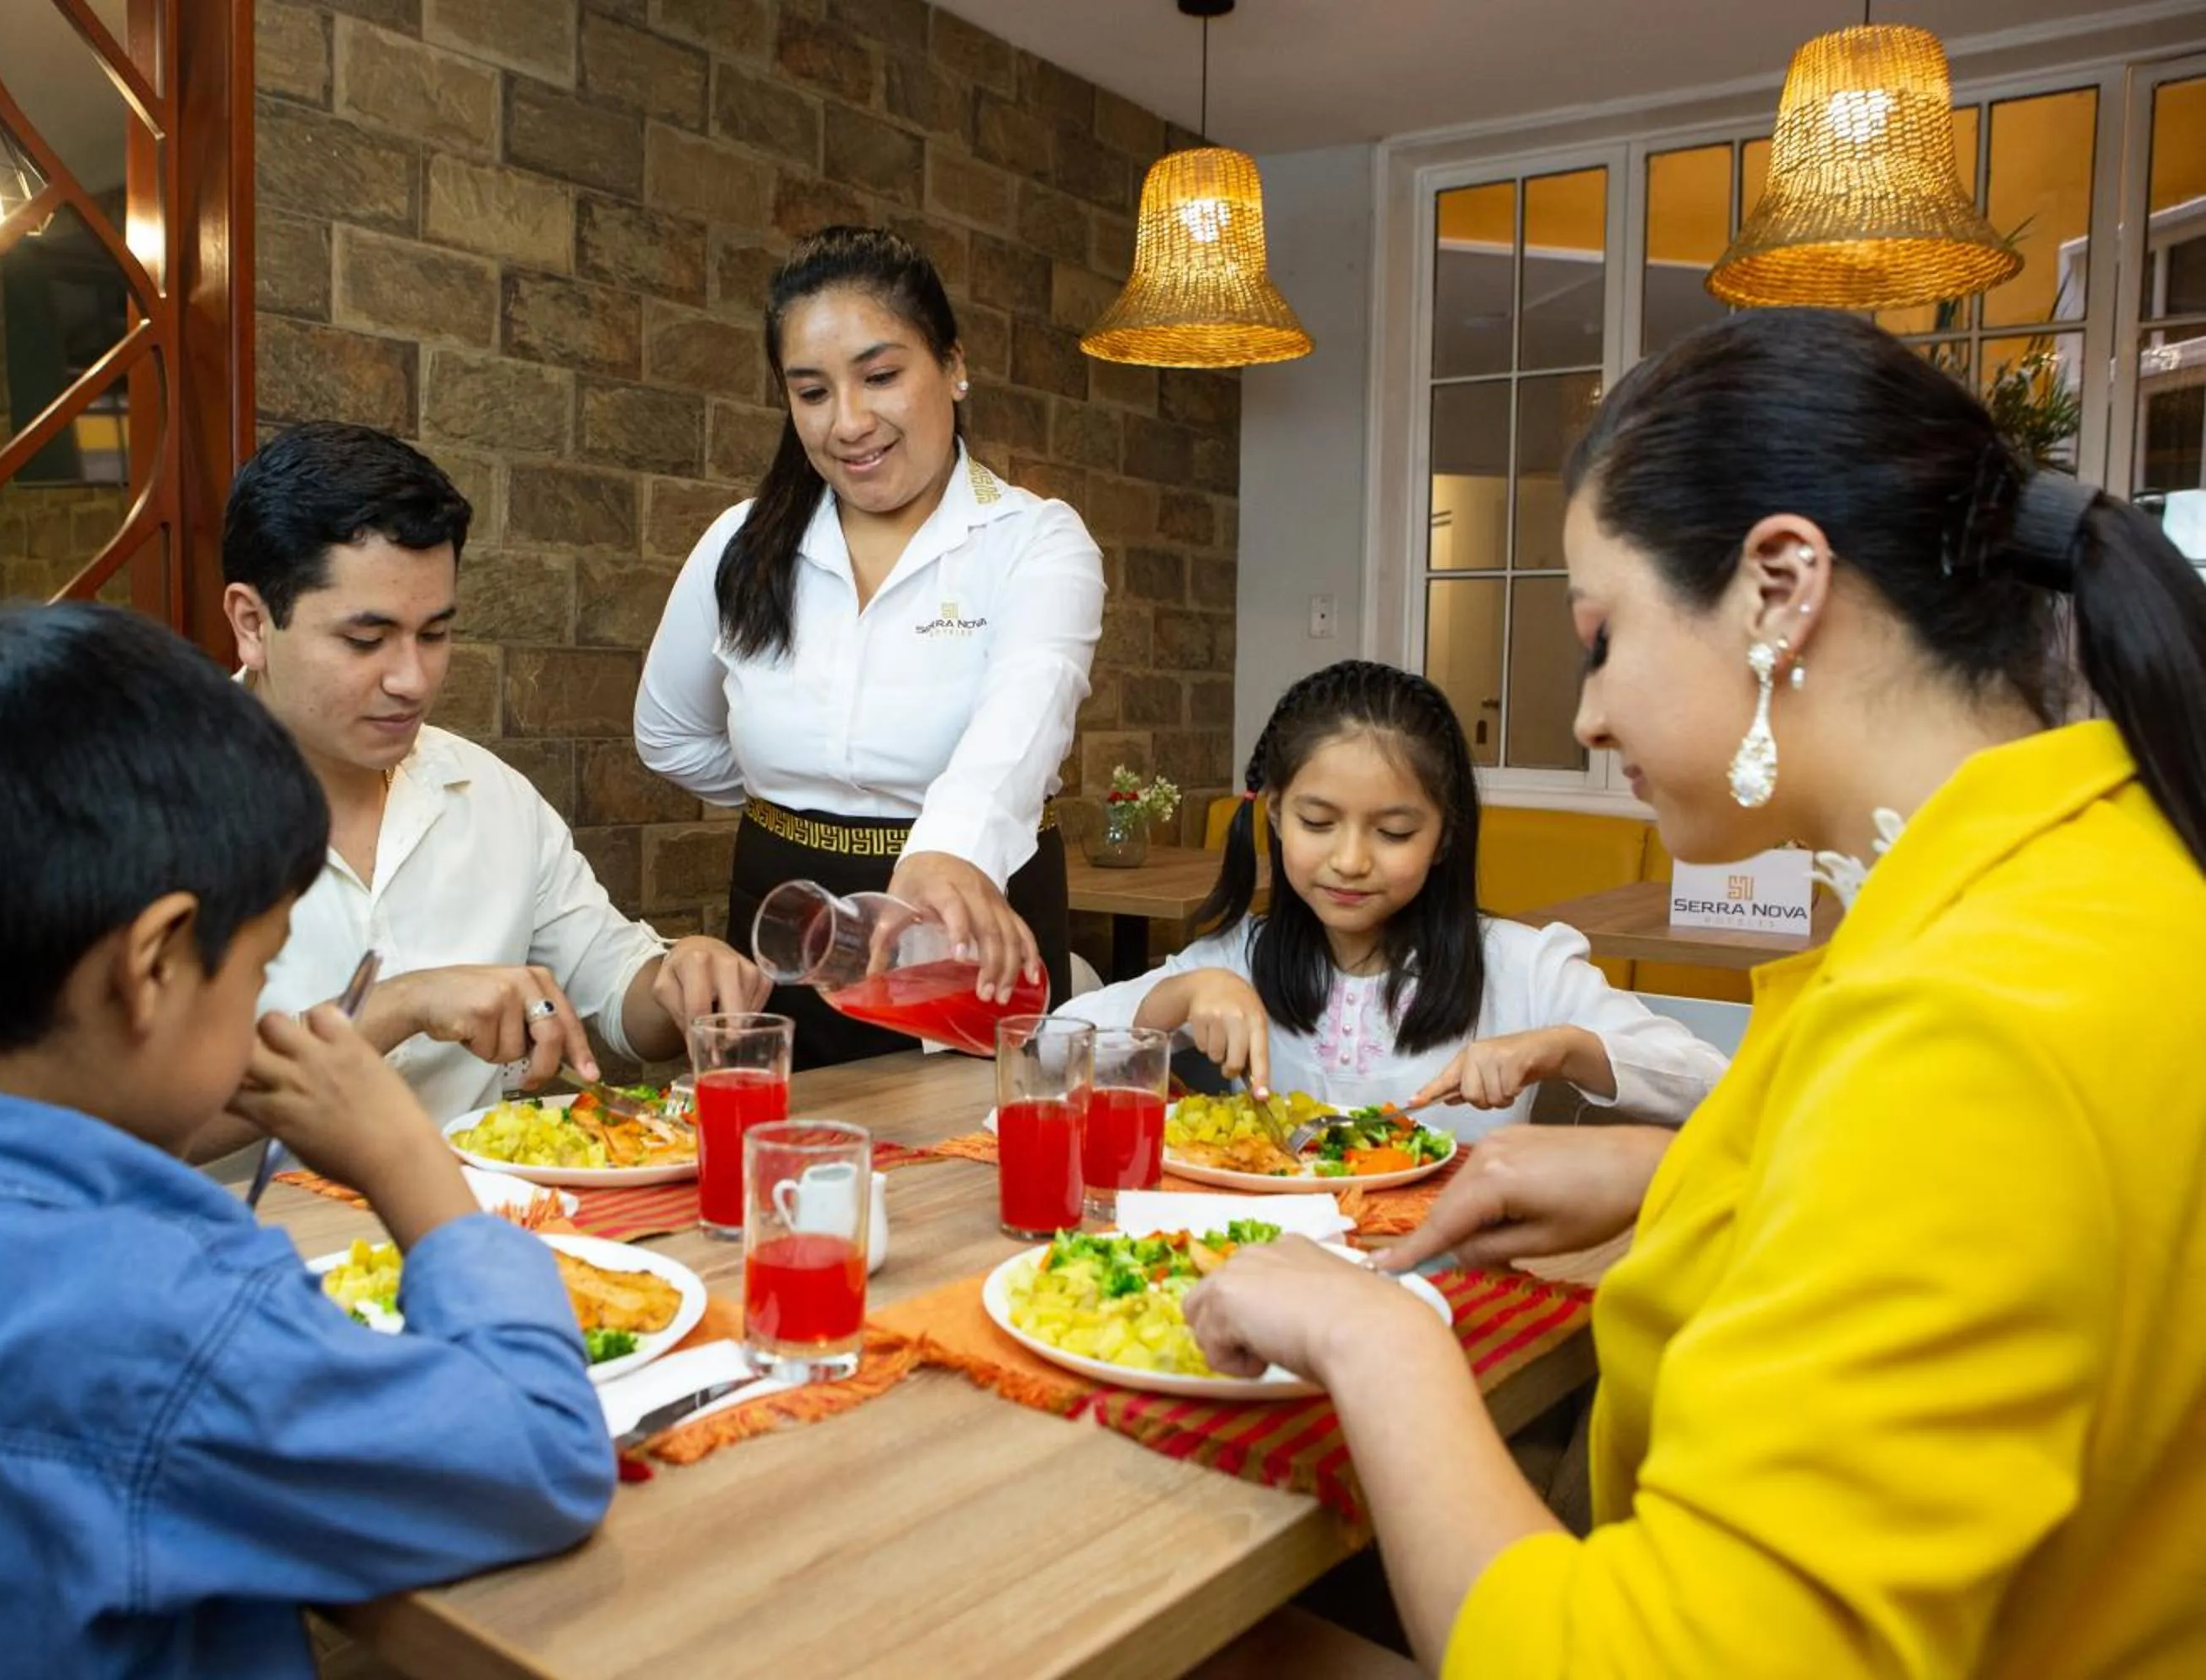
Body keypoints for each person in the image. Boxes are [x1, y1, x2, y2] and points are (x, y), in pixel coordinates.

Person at [1182, 310, 2206, 1676]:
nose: (1586, 718)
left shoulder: (1973, 1019)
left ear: (1782, 586)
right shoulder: (2096, 880)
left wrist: (1374, 1335)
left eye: (1601, 640)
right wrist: (1681, 1176)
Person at [0, 605, 616, 1678]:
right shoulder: (173, 1320)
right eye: (260, 968)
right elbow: (540, 1454)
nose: (266, 1015)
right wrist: (412, 1161)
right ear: (155, 964)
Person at [634, 226, 1105, 1067]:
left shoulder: (1034, 539)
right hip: (786, 929)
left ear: (953, 366)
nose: (848, 423)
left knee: (983, 1173)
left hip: (973, 926)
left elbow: (1023, 720)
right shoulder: (740, 543)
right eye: (812, 392)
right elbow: (668, 733)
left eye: (881, 376)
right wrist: (798, 786)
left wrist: (944, 851)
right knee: (781, 1175)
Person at [221, 422, 766, 1122]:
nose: (413, 680)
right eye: (367, 639)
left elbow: (618, 990)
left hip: (482, 1222)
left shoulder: (488, 793)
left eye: (436, 634)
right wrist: (401, 1005)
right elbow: (128, 1115)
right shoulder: (143, 804)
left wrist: (683, 981)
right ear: (251, 623)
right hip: (235, 1230)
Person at [1058, 660, 1725, 1140]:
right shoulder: (1239, 958)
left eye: (1394, 832)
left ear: (1443, 837)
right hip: (1270, 1274)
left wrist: (1563, 1049)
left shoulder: (1522, 968)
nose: (1350, 861)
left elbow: (1710, 1083)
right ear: (1276, 815)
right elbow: (1047, 1049)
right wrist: (1183, 994)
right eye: (1317, 824)